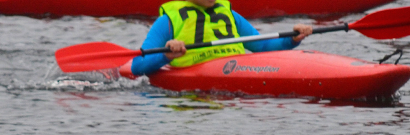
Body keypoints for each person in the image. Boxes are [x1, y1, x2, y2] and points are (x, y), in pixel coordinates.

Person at [131, 0, 314, 77]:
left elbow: (264, 45)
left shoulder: (230, 15)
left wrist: (293, 39)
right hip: (193, 88)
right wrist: (166, 55)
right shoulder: (168, 21)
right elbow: (137, 66)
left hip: (237, 71)